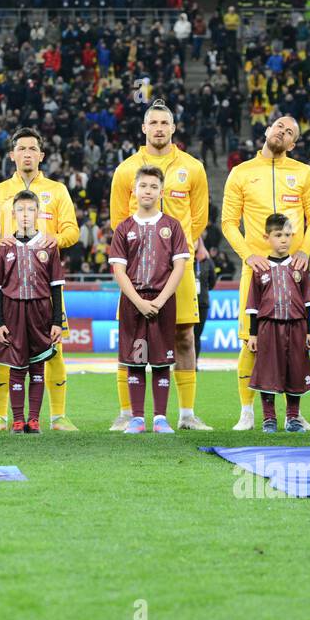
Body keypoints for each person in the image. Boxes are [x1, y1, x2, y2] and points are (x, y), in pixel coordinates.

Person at [108, 100, 212, 431]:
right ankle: (127, 413)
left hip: (178, 266)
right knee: (129, 336)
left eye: (164, 123)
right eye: (153, 123)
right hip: (137, 267)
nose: (158, 128)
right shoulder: (126, 169)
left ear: (173, 128)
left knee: (184, 336)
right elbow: (117, 219)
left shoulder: (192, 167)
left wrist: (177, 250)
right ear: (143, 128)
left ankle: (186, 414)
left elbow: (199, 218)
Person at [220, 114, 310, 431]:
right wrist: (249, 255)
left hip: (293, 272)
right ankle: (247, 412)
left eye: (290, 131)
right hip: (258, 271)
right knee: (250, 341)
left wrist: (304, 251)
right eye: (279, 125)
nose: (282, 131)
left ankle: (294, 413)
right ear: (267, 130)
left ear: (293, 143)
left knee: (294, 343)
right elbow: (227, 222)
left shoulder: (303, 173)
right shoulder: (241, 173)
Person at [0, 127, 79, 432]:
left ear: (41, 155)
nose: (27, 154)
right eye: (21, 149)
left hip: (43, 287)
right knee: (5, 349)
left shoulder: (58, 190)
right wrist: (12, 245)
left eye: (32, 149)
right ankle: (0, 417)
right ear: (12, 155)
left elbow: (72, 232)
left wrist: (47, 242)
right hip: (11, 287)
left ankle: (58, 416)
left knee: (54, 348)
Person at [109, 166, 191, 434]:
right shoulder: (124, 228)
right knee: (135, 361)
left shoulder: (172, 226)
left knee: (161, 361)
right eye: (143, 186)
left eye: (153, 187)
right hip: (133, 304)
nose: (148, 191)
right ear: (134, 190)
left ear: (161, 192)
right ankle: (136, 419)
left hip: (163, 303)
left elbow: (178, 267)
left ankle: (160, 419)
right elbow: (119, 271)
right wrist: (139, 302)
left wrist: (161, 299)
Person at [0, 190, 65, 434]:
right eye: (20, 210)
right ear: (13, 214)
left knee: (37, 367)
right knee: (16, 368)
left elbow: (56, 287)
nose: (25, 215)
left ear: (38, 214)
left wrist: (57, 322)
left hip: (41, 312)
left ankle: (33, 420)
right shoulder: (5, 246)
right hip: (13, 314)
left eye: (30, 209)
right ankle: (17, 419)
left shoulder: (48, 245)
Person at [246, 214, 310, 433]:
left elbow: (307, 302)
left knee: (296, 370)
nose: (284, 240)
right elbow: (254, 305)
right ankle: (269, 419)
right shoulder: (260, 268)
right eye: (278, 235)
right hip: (268, 328)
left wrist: (309, 331)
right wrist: (253, 334)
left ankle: (293, 418)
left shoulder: (299, 267)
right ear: (267, 237)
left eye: (287, 235)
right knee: (268, 372)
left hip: (296, 327)